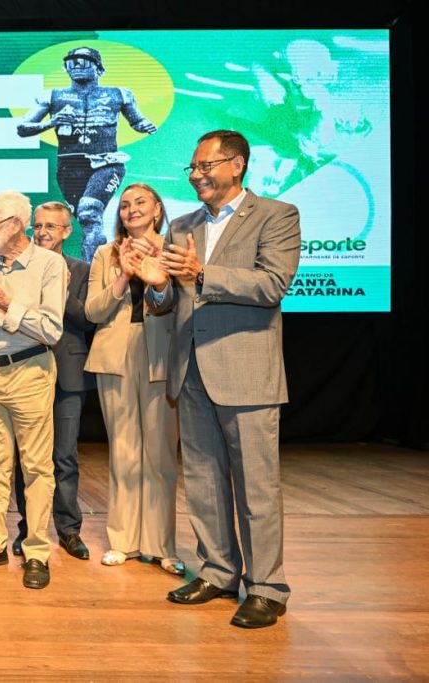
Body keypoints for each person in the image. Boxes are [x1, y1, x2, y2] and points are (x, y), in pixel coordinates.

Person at [139, 130, 300, 628]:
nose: (196, 175)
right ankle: (218, 571)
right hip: (191, 370)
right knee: (205, 482)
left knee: (256, 487)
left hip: (245, 372)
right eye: (192, 167)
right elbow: (170, 301)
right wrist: (158, 287)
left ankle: (267, 587)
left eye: (205, 165)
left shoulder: (276, 215)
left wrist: (202, 273)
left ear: (237, 164)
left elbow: (272, 284)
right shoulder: (183, 225)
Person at [0, 190, 66, 590]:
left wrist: (8, 304)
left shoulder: (50, 264)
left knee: (36, 468)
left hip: (30, 372)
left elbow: (52, 329)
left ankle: (36, 552)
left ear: (16, 224)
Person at [85, 183, 182, 575]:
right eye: (124, 205)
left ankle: (161, 546)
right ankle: (122, 540)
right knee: (124, 454)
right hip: (115, 358)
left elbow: (183, 306)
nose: (131, 209)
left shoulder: (175, 250)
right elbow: (93, 312)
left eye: (140, 202)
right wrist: (123, 276)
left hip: (161, 358)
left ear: (157, 209)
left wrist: (158, 277)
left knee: (160, 455)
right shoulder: (105, 253)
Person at [17, 46, 157, 266]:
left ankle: (95, 274)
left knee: (89, 212)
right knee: (87, 222)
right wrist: (52, 122)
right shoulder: (51, 96)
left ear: (99, 68)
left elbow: (137, 120)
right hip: (69, 167)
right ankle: (96, 267)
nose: (77, 65)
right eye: (71, 61)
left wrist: (144, 125)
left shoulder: (120, 94)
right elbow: (23, 128)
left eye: (83, 61)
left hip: (106, 163)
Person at [12, 201, 94, 561]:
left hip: (68, 375)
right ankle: (28, 528)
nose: (43, 232)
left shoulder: (83, 269)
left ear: (67, 231)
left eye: (51, 226)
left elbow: (88, 320)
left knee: (64, 455)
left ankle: (69, 530)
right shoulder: (20, 267)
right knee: (27, 457)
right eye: (38, 225)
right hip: (26, 372)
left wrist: (63, 291)